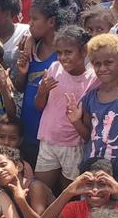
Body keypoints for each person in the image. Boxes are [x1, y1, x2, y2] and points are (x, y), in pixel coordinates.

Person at [70, 33, 118, 194]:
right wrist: (76, 121)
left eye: (108, 63)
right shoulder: (90, 98)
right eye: (97, 64)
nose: (102, 68)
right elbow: (88, 136)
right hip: (93, 173)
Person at [35, 25, 98, 191]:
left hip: (73, 144)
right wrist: (42, 92)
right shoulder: (55, 68)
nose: (63, 57)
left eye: (68, 52)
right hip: (48, 140)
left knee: (68, 194)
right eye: (59, 52)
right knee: (40, 189)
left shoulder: (92, 79)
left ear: (84, 51)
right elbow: (39, 105)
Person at [15, 0, 66, 166]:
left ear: (51, 21)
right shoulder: (30, 48)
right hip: (28, 129)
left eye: (34, 19)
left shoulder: (64, 54)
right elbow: (21, 87)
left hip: (51, 135)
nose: (29, 24)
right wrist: (22, 72)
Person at [0, 145, 52, 218]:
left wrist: (21, 200)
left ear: (19, 166)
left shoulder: (34, 186)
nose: (0, 171)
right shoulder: (4, 194)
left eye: (3, 165)